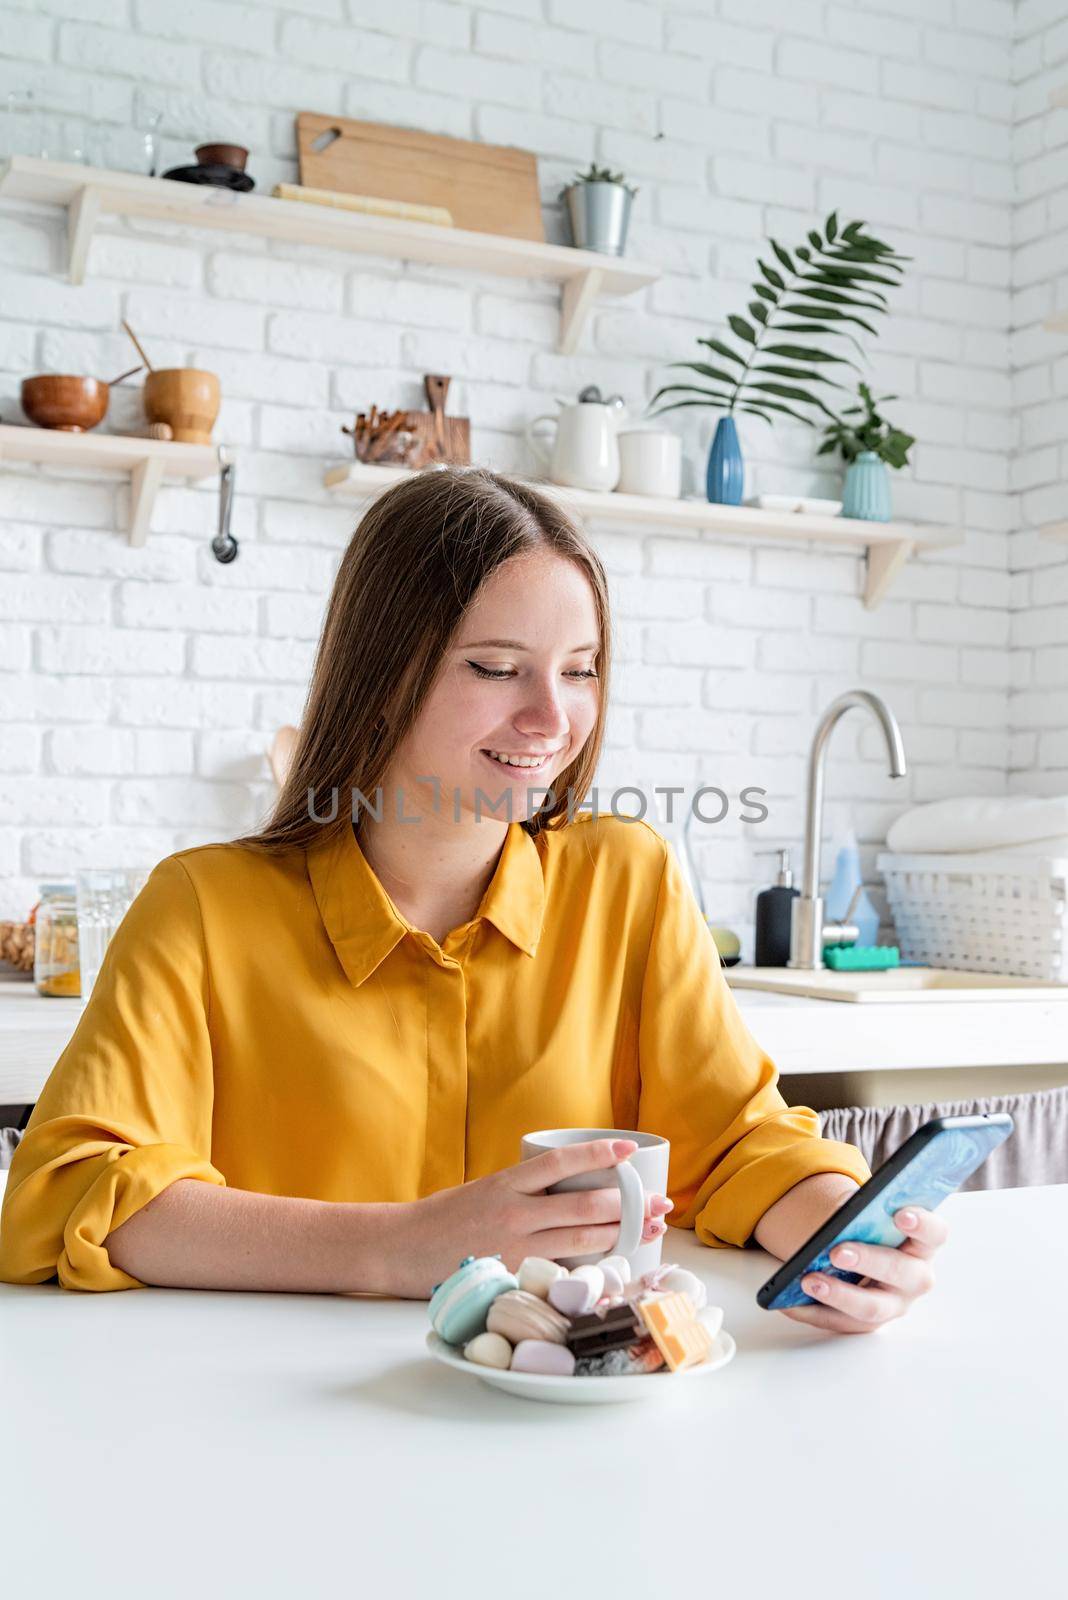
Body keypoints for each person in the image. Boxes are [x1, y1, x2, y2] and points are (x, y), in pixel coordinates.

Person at [0, 467, 945, 1334]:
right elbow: (72, 1194)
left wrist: (846, 1238)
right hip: (279, 1433)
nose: (551, 718)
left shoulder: (631, 881)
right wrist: (400, 1244)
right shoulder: (204, 907)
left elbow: (739, 1141)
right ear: (381, 676)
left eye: (579, 669)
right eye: (495, 668)